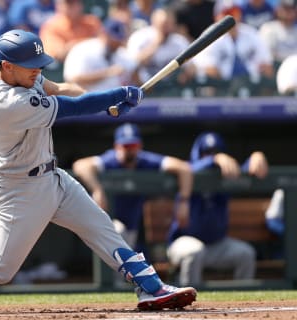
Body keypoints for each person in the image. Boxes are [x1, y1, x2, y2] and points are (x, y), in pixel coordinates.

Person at [0, 29, 197, 314]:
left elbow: (60, 89)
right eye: (29, 65)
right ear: (7, 67)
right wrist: (116, 96)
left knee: (102, 229)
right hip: (20, 188)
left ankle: (151, 288)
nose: (36, 69)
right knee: (0, 269)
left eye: (38, 63)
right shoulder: (9, 103)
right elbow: (71, 108)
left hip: (52, 176)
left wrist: (104, 104)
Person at [167, 131, 268, 287]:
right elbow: (190, 168)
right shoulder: (186, 173)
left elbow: (244, 170)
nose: (211, 155)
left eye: (216, 152)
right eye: (206, 153)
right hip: (183, 242)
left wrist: (256, 156)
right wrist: (214, 159)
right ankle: (186, 300)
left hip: (217, 245)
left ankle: (243, 303)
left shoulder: (224, 174)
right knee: (195, 251)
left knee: (246, 254)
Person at [72, 123, 193, 253]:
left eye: (133, 145)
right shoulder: (110, 160)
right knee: (118, 232)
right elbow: (80, 165)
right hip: (106, 226)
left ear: (139, 146)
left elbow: (184, 168)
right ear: (117, 146)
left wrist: (183, 201)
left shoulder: (145, 161)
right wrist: (97, 190)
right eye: (125, 146)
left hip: (132, 229)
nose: (129, 150)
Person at [126, 8, 195, 93]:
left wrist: (184, 76)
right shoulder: (140, 37)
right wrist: (156, 44)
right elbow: (131, 64)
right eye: (163, 24)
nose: (166, 28)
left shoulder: (179, 41)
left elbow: (191, 66)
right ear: (154, 23)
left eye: (169, 24)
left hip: (170, 87)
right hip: (143, 86)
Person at [63, 19, 137, 91]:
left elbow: (135, 74)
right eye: (114, 38)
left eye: (120, 39)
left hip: (116, 100)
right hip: (87, 99)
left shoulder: (121, 53)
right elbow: (73, 79)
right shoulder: (83, 49)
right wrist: (107, 73)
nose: (117, 42)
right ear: (104, 34)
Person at [259, 0, 297, 65]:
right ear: (278, 10)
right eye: (285, 9)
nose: (288, 12)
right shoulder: (268, 28)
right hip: (277, 65)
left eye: (291, 9)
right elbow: (267, 55)